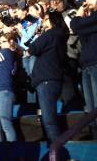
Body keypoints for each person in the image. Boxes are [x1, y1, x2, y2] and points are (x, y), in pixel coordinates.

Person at [27, 11, 69, 142]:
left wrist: (40, 35)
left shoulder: (51, 34)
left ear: (53, 20)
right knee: (49, 119)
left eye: (46, 20)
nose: (44, 23)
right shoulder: (60, 35)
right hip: (53, 78)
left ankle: (56, 152)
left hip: (46, 80)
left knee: (49, 120)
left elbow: (32, 49)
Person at [70, 0, 97, 138]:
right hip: (87, 65)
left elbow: (75, 25)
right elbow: (81, 33)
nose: (87, 1)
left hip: (95, 64)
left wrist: (79, 16)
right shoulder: (91, 18)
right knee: (90, 112)